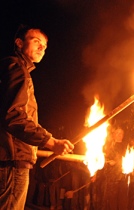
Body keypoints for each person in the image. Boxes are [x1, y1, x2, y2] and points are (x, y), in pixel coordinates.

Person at [0, 24, 74, 209]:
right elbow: (14, 117)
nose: (42, 48)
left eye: (45, 46)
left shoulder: (9, 68)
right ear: (19, 43)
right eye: (36, 42)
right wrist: (51, 142)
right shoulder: (17, 69)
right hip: (11, 161)